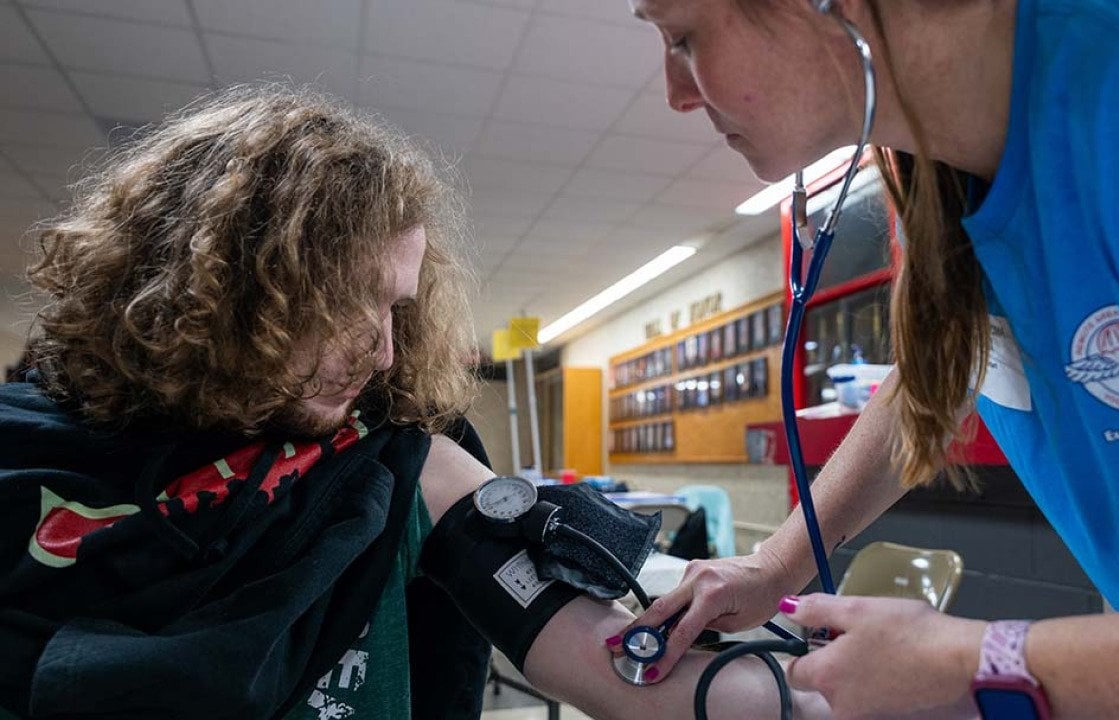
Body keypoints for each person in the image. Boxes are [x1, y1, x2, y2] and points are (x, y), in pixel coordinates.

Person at [0, 85, 830, 720]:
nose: (385, 351)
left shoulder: (402, 467)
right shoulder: (24, 461)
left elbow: (627, 667)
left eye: (395, 307)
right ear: (230, 293)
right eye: (346, 304)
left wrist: (844, 688)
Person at [619, 0, 1119, 717]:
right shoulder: (957, 164)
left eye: (683, 38)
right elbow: (946, 361)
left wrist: (981, 661)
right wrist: (774, 563)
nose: (677, 93)